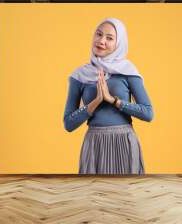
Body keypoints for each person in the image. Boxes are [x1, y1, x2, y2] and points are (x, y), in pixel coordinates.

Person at [63, 17, 153, 175]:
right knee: (93, 196)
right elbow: (68, 124)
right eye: (98, 34)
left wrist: (113, 101)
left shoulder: (128, 71)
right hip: (94, 143)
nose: (101, 41)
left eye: (109, 38)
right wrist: (96, 102)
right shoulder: (79, 76)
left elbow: (148, 113)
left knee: (125, 196)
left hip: (124, 141)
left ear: (119, 44)